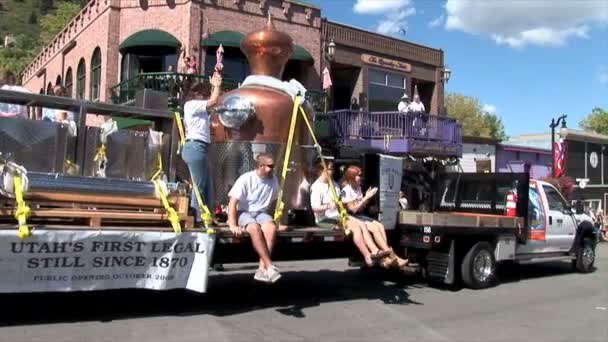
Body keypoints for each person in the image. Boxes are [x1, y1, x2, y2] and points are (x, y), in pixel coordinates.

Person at [310, 160, 388, 266]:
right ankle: (367, 256)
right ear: (321, 170)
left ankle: (375, 251)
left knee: (361, 224)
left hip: (337, 215)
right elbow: (315, 208)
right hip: (325, 219)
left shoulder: (335, 185)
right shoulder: (316, 187)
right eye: (329, 169)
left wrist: (345, 202)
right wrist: (328, 206)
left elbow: (341, 201)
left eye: (332, 169)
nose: (332, 171)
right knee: (356, 228)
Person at [341, 165, 413, 271]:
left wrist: (366, 198)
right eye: (358, 175)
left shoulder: (358, 188)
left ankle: (387, 255)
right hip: (351, 217)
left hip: (359, 216)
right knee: (375, 228)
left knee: (379, 225)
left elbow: (361, 208)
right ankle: (390, 257)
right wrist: (366, 197)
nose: (361, 177)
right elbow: (353, 210)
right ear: (352, 176)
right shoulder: (346, 190)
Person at [227, 153, 281, 283]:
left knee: (271, 228)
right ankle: (269, 266)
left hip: (261, 213)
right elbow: (232, 202)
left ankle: (262, 269)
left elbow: (275, 202)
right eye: (270, 166)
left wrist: (278, 221)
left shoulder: (273, 180)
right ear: (261, 166)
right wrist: (232, 224)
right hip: (244, 211)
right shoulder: (246, 178)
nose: (272, 169)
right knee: (254, 228)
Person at [181, 72, 222, 224]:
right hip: (195, 147)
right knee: (199, 185)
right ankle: (197, 217)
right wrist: (216, 86)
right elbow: (213, 101)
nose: (205, 96)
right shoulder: (191, 105)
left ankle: (208, 216)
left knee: (207, 184)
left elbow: (214, 102)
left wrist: (215, 85)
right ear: (195, 94)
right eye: (202, 94)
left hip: (200, 147)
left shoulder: (199, 111)